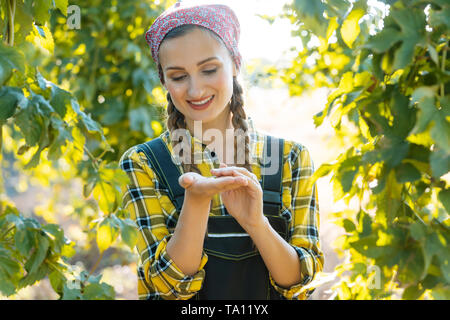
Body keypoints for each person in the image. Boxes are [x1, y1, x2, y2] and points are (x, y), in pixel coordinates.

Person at [119, 1, 324, 300]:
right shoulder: (144, 163)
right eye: (178, 76)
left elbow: (301, 285)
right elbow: (168, 288)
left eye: (209, 69)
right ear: (164, 80)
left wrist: (256, 223)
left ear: (236, 63)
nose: (195, 90)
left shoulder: (291, 158)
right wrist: (197, 201)